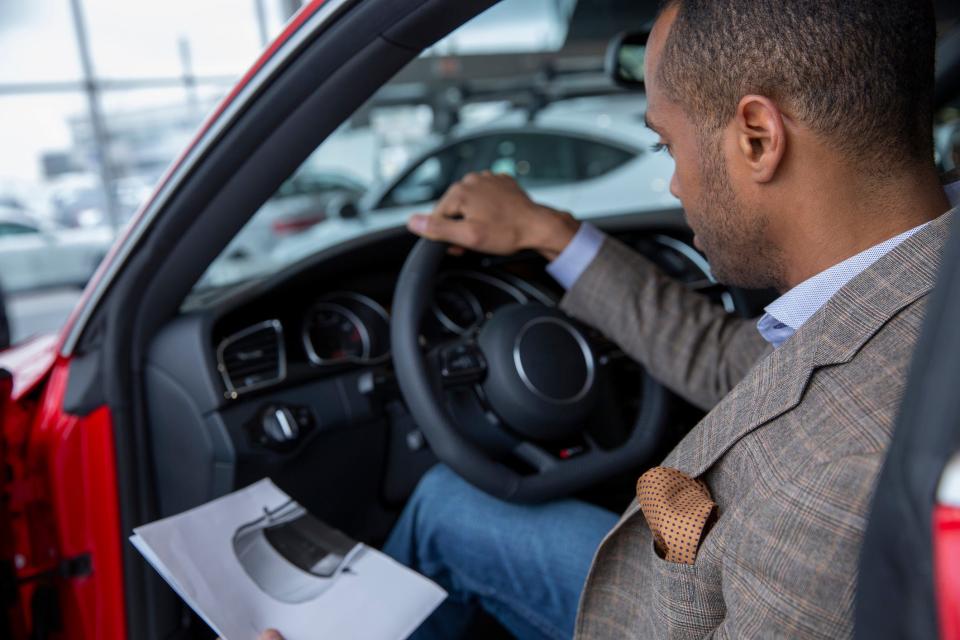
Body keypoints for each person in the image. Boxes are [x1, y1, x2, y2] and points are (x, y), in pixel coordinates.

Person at [260, 0, 958, 638]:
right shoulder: (918, 294)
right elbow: (734, 362)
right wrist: (552, 234)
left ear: (756, 138)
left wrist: (681, 539)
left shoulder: (838, 485)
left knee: (444, 507)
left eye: (667, 146)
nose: (674, 184)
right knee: (448, 502)